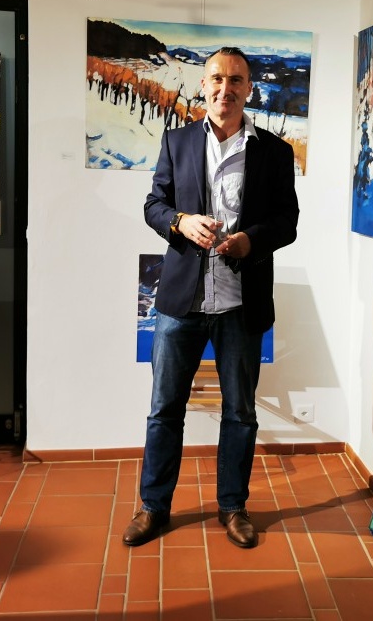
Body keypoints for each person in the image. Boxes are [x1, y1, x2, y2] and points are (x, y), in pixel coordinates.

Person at [127, 47, 299, 549]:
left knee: (240, 413)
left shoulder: (275, 152)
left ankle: (233, 507)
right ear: (203, 85)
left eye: (236, 80)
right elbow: (154, 205)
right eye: (217, 79)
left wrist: (251, 241)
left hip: (240, 304)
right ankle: (153, 506)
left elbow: (287, 222)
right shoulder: (177, 141)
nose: (226, 89)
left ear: (249, 88)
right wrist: (181, 222)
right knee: (164, 409)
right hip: (181, 302)